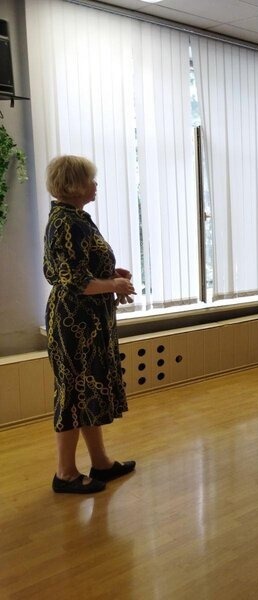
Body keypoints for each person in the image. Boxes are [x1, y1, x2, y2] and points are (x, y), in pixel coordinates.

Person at [44, 155, 136, 494]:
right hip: (75, 323)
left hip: (88, 320)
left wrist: (110, 275)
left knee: (87, 392)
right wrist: (113, 284)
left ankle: (101, 463)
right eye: (89, 179)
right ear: (73, 185)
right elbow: (74, 280)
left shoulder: (76, 217)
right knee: (72, 393)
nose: (95, 185)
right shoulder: (66, 222)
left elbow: (82, 269)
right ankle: (65, 474)